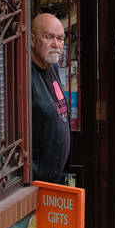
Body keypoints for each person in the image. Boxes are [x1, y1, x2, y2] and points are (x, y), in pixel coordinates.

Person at [30, 12, 71, 184]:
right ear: (32, 40)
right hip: (37, 182)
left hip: (55, 179)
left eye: (60, 38)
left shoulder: (51, 67)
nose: (56, 44)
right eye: (49, 37)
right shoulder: (26, 78)